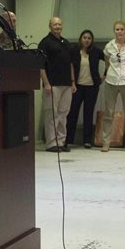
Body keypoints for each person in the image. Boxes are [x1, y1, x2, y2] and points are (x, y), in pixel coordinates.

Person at [100, 20, 125, 152]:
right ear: (114, 31)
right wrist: (112, 74)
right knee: (108, 113)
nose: (119, 32)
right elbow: (107, 63)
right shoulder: (109, 46)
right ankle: (106, 143)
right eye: (117, 29)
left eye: (122, 29)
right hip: (111, 81)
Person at [38, 16, 75, 152]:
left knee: (63, 114)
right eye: (55, 24)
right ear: (50, 26)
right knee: (51, 114)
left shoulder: (66, 43)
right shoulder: (45, 43)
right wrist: (46, 83)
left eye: (59, 24)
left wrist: (73, 82)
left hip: (66, 84)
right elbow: (40, 65)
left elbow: (70, 64)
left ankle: (60, 141)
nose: (57, 27)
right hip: (52, 84)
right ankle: (51, 143)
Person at [66, 29, 103, 148]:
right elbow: (70, 66)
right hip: (77, 86)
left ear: (92, 40)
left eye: (89, 38)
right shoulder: (74, 51)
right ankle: (69, 139)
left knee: (88, 113)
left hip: (92, 87)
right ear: (81, 39)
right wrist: (72, 83)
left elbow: (109, 60)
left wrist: (104, 77)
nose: (86, 40)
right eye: (84, 38)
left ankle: (87, 140)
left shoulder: (96, 52)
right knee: (72, 113)